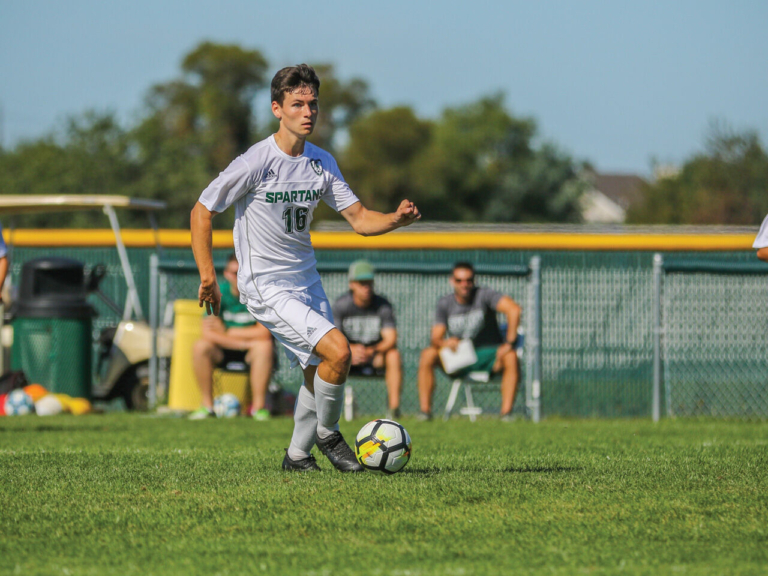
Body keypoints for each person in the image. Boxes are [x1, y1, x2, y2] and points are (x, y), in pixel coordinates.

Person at [190, 64, 420, 472]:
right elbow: (202, 210)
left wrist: (395, 220)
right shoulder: (256, 161)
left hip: (306, 281)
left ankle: (297, 457)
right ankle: (329, 434)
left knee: (320, 369)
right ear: (277, 109)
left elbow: (360, 219)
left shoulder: (321, 162)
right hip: (266, 285)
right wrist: (208, 276)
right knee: (339, 351)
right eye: (297, 104)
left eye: (312, 104)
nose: (308, 112)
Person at [417, 262, 522, 421]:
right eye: (459, 280)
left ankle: (506, 414)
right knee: (428, 354)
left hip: (488, 356)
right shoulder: (445, 303)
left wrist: (509, 343)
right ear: (452, 281)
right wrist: (446, 343)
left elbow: (514, 310)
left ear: (474, 281)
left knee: (511, 356)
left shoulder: (485, 295)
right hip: (460, 358)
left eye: (469, 280)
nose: (464, 285)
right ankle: (425, 412)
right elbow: (436, 338)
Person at [189, 254, 275, 420]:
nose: (239, 278)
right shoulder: (217, 293)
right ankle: (207, 406)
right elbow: (207, 333)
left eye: (243, 273)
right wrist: (245, 340)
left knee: (264, 347)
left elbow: (264, 333)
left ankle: (258, 409)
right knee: (200, 346)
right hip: (224, 350)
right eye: (235, 273)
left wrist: (226, 331)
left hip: (251, 352)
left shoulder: (260, 295)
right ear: (227, 274)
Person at [332, 260, 402, 419]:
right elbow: (333, 338)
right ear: (352, 284)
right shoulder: (341, 305)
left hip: (374, 355)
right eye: (361, 283)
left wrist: (372, 350)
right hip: (348, 356)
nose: (366, 287)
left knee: (394, 355)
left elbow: (391, 338)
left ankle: (394, 410)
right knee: (326, 356)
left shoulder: (382, 305)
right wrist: (351, 350)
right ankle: (326, 409)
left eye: (369, 283)